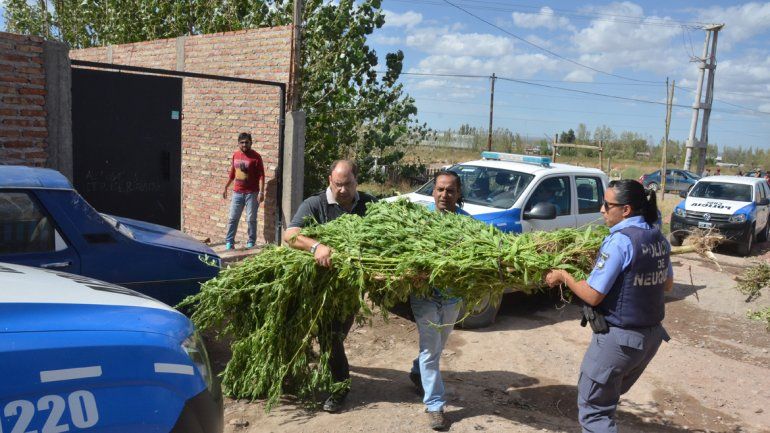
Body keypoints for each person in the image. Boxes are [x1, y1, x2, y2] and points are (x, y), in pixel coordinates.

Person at [544, 179, 673, 433]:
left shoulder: (620, 241)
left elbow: (593, 296)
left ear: (625, 210)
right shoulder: (657, 237)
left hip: (620, 341)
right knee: (606, 401)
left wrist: (563, 276)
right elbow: (667, 284)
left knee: (594, 412)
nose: (602, 210)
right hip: (649, 338)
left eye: (607, 204)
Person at [283, 160, 377, 412]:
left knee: (333, 337)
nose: (343, 190)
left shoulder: (369, 205)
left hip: (347, 290)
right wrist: (316, 246)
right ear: (329, 181)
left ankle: (336, 381)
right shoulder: (315, 204)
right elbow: (290, 234)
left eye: (348, 184)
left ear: (357, 181)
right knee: (317, 335)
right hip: (315, 287)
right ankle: (331, 385)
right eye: (338, 185)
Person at [409, 170, 469, 431]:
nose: (444, 195)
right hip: (424, 297)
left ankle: (416, 371)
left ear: (458, 194)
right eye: (440, 189)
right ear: (433, 192)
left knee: (435, 347)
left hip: (452, 297)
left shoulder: (468, 226)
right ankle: (435, 405)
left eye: (450, 190)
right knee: (432, 352)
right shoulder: (418, 222)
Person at [223, 132, 265, 250]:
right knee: (232, 217)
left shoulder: (256, 156)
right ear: (238, 144)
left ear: (251, 143)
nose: (244, 144)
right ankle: (229, 243)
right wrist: (226, 187)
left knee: (251, 219)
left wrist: (261, 192)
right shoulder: (235, 155)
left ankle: (251, 242)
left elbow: (262, 175)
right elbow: (232, 173)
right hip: (237, 193)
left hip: (252, 193)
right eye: (242, 142)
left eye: (247, 142)